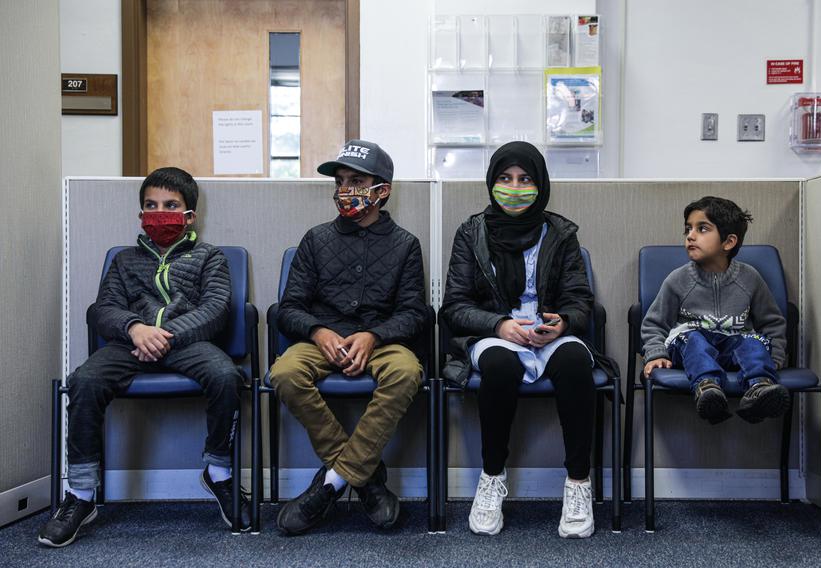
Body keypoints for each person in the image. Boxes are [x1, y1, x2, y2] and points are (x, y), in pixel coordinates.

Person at [39, 167, 250, 548]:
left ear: (190, 215)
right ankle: (82, 496)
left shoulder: (209, 257)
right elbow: (103, 309)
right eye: (151, 205)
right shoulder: (124, 261)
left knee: (226, 376)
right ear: (140, 214)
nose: (159, 212)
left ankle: (219, 472)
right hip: (129, 345)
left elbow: (217, 309)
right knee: (84, 380)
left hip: (188, 344)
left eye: (170, 205)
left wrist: (164, 336)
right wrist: (137, 329)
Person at [441, 141, 615, 539]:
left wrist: (563, 321)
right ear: (491, 182)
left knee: (574, 364)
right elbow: (455, 305)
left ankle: (577, 484)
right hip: (494, 333)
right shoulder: (472, 232)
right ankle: (491, 479)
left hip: (547, 332)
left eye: (525, 179)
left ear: (540, 185)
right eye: (505, 178)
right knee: (500, 367)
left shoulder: (560, 233)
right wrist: (500, 325)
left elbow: (579, 298)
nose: (514, 187)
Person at [270, 139, 425, 534]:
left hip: (381, 343)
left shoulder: (406, 245)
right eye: (341, 181)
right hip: (320, 341)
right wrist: (318, 331)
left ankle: (333, 482)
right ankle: (367, 478)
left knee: (407, 373)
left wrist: (373, 335)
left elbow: (414, 313)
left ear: (382, 190)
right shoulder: (316, 239)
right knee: (285, 373)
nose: (345, 190)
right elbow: (287, 309)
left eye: (356, 180)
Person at [640, 196, 790, 425]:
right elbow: (654, 323)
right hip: (691, 349)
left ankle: (760, 388)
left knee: (753, 342)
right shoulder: (678, 280)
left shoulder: (749, 278)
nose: (690, 235)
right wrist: (656, 354)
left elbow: (772, 322)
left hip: (733, 347)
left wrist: (777, 355)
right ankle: (707, 389)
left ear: (728, 242)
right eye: (688, 229)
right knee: (696, 340)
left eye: (702, 229)